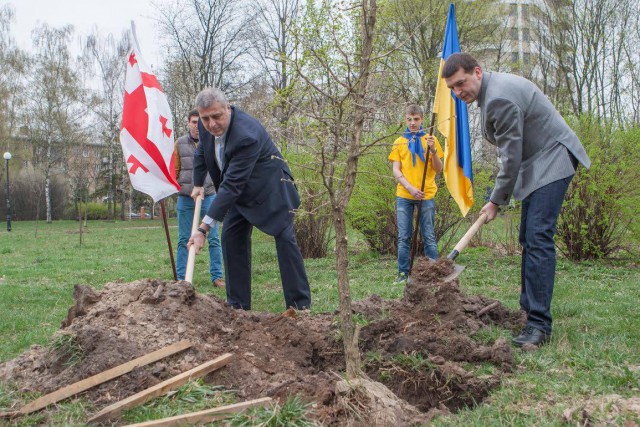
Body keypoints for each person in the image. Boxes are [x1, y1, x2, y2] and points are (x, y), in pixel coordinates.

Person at [442, 52, 591, 347]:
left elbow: (510, 158)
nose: (458, 92)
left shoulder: (499, 98)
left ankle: (539, 325)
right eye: (452, 88)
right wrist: (497, 199)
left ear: (477, 72)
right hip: (538, 163)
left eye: (461, 83)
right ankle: (528, 312)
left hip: (553, 158)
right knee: (529, 237)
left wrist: (495, 201)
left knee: (538, 237)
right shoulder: (492, 92)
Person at [187, 87, 311, 311]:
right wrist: (197, 184)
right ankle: (238, 306)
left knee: (285, 241)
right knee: (231, 238)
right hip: (238, 193)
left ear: (228, 108)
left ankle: (300, 306)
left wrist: (203, 229)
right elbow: (201, 154)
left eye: (217, 116)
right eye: (205, 119)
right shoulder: (205, 129)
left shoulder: (246, 134)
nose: (212, 124)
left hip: (271, 190)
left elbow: (232, 184)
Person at [389, 104, 443, 284]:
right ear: (405, 119)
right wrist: (410, 188)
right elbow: (396, 170)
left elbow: (438, 168)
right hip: (404, 195)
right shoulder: (399, 142)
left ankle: (434, 275)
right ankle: (403, 274)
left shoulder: (431, 139)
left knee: (428, 236)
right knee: (404, 236)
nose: (412, 123)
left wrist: (433, 150)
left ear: (422, 119)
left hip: (426, 195)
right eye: (409, 119)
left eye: (416, 119)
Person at [174, 109, 225, 287]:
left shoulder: (212, 141)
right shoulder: (179, 143)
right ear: (188, 123)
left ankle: (217, 277)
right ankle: (181, 279)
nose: (197, 126)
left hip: (209, 196)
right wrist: (182, 186)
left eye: (199, 122)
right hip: (186, 198)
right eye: (194, 122)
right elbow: (175, 170)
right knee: (184, 239)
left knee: (214, 238)